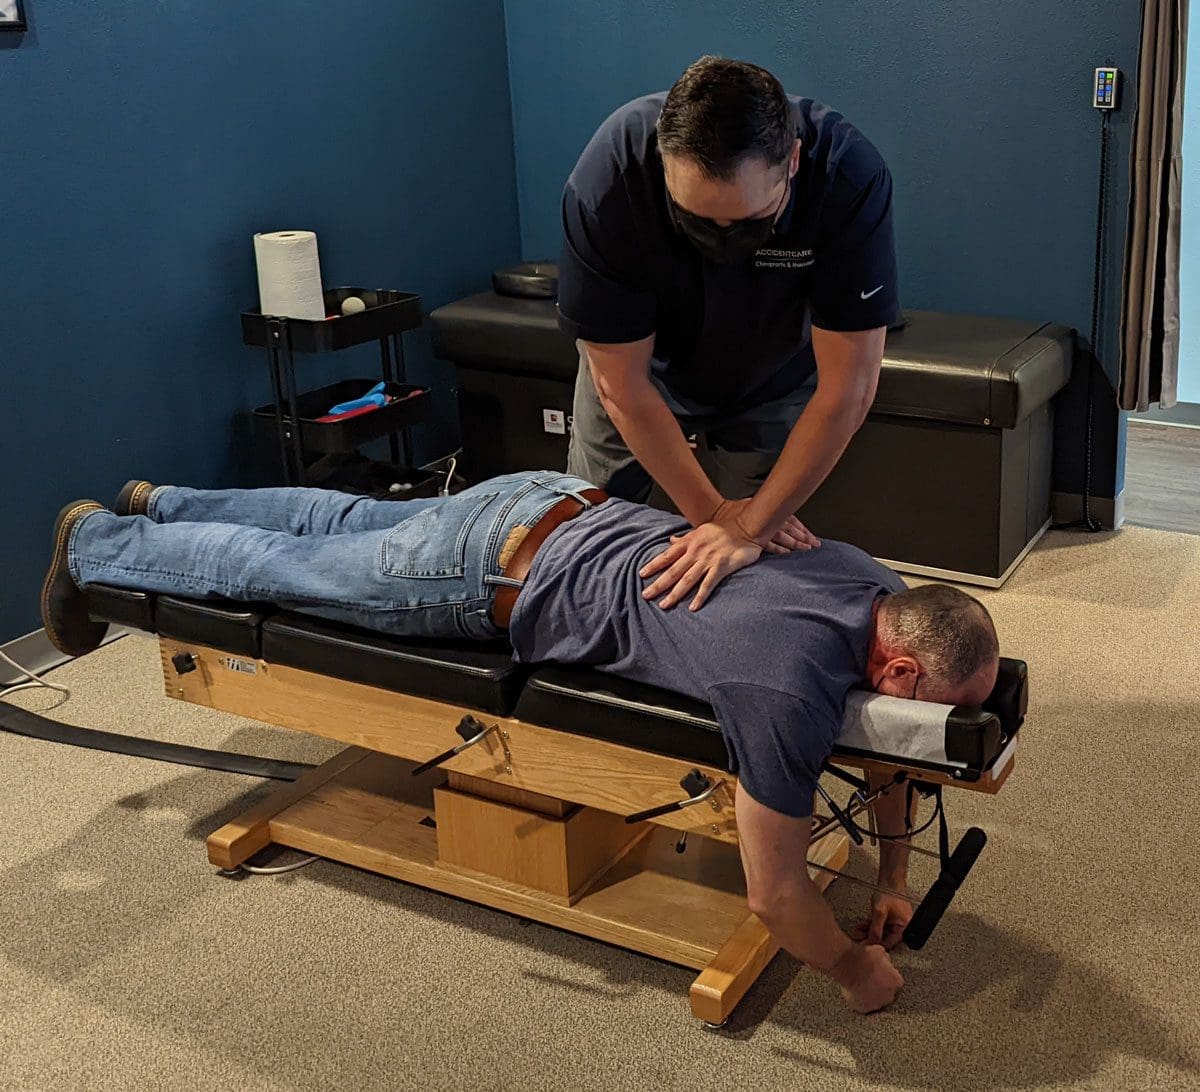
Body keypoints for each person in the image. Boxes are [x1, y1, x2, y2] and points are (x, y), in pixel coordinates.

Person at [43, 471, 999, 1015]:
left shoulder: (867, 576)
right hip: (476, 582)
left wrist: (890, 876)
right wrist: (848, 967)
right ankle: (94, 548)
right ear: (904, 673)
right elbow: (775, 896)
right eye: (933, 708)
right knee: (281, 572)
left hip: (559, 500)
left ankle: (162, 500)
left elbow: (888, 752)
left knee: (341, 518)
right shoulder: (786, 687)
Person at [559, 55, 899, 608]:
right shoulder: (609, 180)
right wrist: (713, 516)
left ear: (791, 161)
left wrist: (745, 527)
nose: (720, 240)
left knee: (762, 568)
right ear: (662, 165)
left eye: (746, 221)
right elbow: (621, 385)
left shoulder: (846, 177)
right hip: (637, 378)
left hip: (772, 377)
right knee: (591, 540)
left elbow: (848, 391)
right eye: (696, 219)